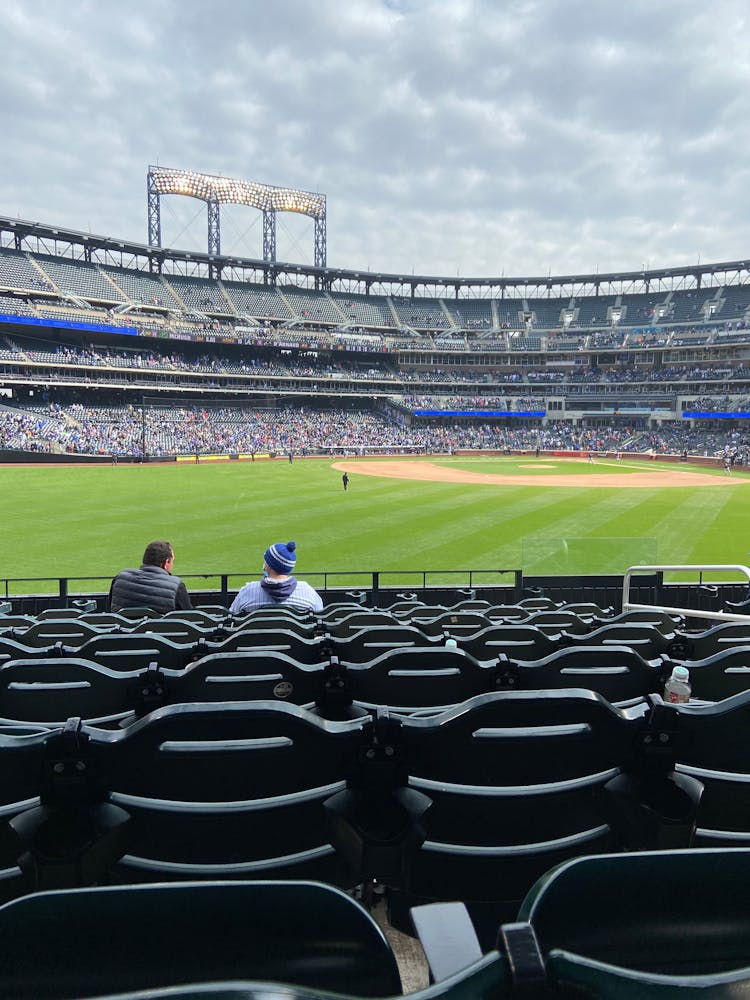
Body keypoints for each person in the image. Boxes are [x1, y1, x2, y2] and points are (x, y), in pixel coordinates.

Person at [230, 541, 323, 614]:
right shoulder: (308, 592)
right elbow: (320, 617)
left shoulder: (248, 591)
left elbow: (232, 617)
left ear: (269, 566)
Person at [109, 540, 192, 613]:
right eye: (172, 561)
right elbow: (189, 618)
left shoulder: (120, 579)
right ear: (166, 563)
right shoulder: (176, 586)